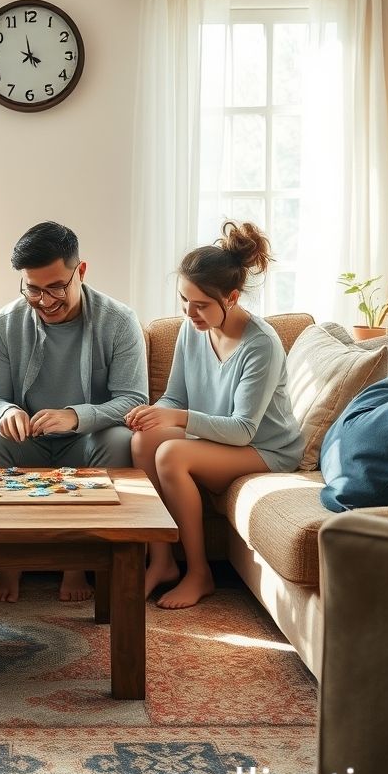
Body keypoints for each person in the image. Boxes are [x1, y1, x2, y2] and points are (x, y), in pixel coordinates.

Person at [126, 221, 303, 610]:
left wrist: (178, 419)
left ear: (233, 297)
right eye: (185, 300)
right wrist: (155, 414)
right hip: (215, 439)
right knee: (144, 441)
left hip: (264, 448)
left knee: (171, 454)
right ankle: (162, 562)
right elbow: (175, 396)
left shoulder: (262, 345)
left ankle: (199, 573)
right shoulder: (193, 329)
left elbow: (243, 430)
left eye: (202, 304)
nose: (191, 312)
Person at [0, 221, 148, 603]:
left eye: (56, 288)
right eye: (33, 289)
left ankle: (77, 563)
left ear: (80, 272)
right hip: (28, 443)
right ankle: (10, 562)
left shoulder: (119, 321)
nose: (45, 300)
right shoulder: (5, 322)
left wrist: (76, 416)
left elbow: (133, 399)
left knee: (119, 439)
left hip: (85, 443)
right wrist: (5, 413)